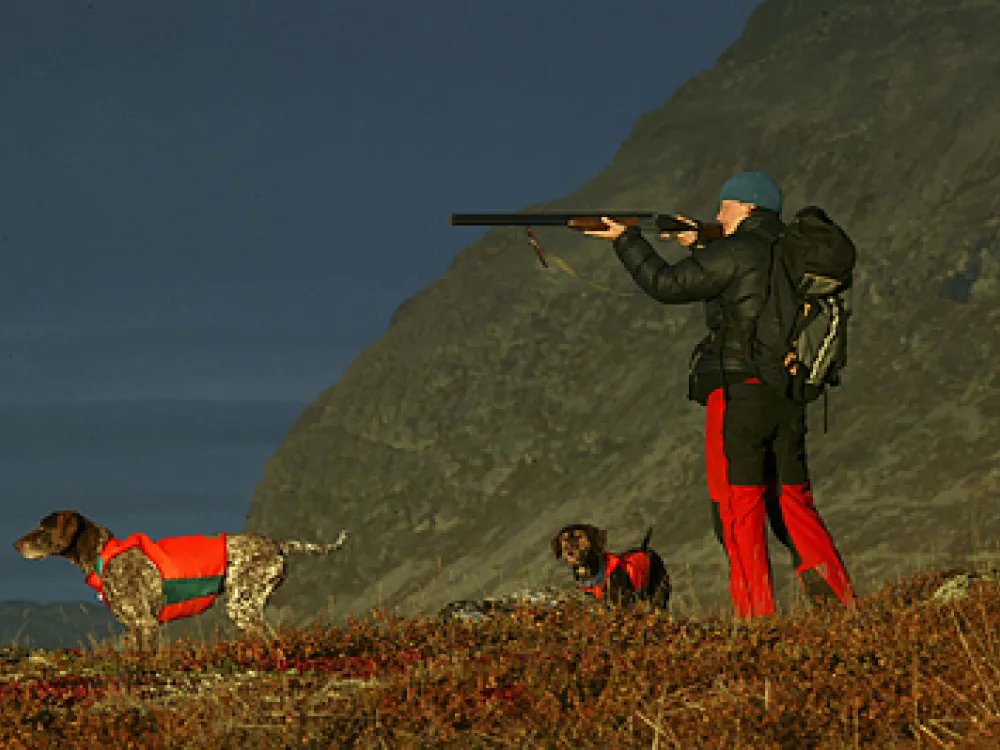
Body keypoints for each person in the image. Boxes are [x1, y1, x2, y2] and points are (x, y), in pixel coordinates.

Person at [584, 171, 855, 620]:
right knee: (794, 501)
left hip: (739, 395)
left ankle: (756, 618)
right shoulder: (789, 251)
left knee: (739, 506)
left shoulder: (738, 250)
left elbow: (665, 285)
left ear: (747, 207)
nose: (717, 215)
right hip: (788, 396)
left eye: (724, 207)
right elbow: (746, 301)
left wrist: (626, 239)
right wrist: (700, 246)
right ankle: (840, 602)